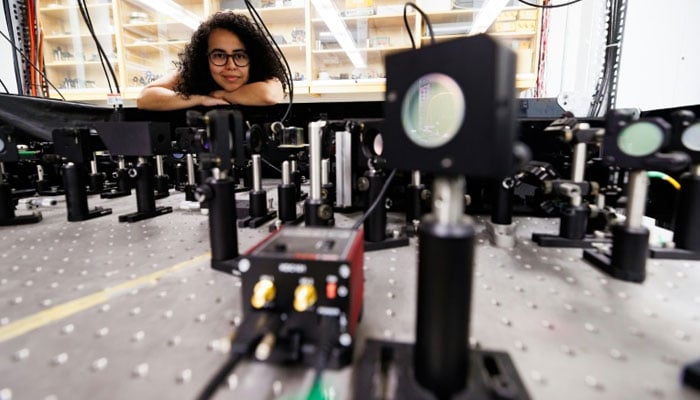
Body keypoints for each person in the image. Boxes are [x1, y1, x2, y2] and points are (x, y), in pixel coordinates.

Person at [137, 11, 286, 111]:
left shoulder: (266, 75)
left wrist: (221, 95)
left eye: (239, 56)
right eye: (219, 55)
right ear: (204, 58)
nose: (231, 66)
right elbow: (145, 97)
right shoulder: (193, 73)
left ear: (253, 58)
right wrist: (200, 99)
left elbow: (269, 95)